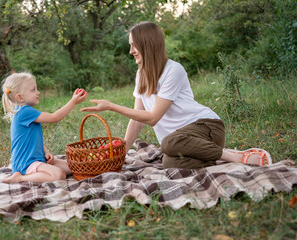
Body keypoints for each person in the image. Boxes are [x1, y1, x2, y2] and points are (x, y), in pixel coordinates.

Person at [81, 21, 272, 169]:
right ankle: (214, 155)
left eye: (134, 46)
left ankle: (237, 157)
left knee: (168, 144)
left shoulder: (173, 70)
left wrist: (112, 106)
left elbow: (153, 118)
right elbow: (137, 120)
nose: (130, 51)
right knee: (170, 163)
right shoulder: (141, 74)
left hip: (206, 127)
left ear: (147, 44)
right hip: (180, 142)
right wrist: (121, 154)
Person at [1, 72, 88, 183]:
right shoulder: (24, 112)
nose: (38, 92)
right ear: (20, 97)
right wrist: (73, 102)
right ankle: (20, 178)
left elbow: (34, 139)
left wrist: (45, 152)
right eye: (33, 90)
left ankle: (38, 172)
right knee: (59, 174)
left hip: (37, 160)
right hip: (26, 164)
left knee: (73, 167)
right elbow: (54, 117)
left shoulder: (25, 111)